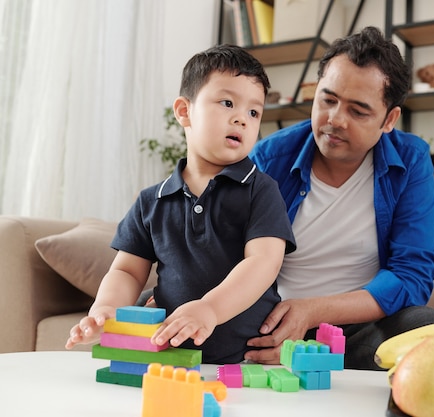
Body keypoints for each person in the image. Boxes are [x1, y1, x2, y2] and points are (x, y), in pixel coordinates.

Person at [65, 45, 296, 364]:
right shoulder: (151, 200)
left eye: (254, 112)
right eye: (228, 102)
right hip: (169, 355)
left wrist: (210, 308)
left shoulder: (261, 190)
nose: (242, 119)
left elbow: (263, 263)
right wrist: (106, 310)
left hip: (245, 360)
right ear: (184, 111)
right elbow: (128, 271)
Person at [245, 26, 434, 370]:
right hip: (271, 320)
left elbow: (412, 276)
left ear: (389, 119)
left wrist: (314, 310)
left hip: (356, 330)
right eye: (328, 100)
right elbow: (226, 249)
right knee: (161, 307)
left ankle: (322, 358)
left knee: (427, 328)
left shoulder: (411, 161)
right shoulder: (269, 158)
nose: (334, 120)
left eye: (358, 111)